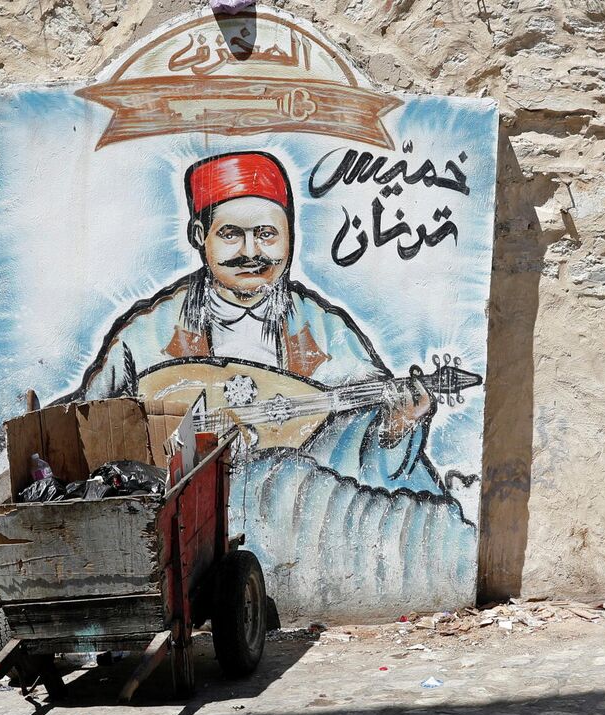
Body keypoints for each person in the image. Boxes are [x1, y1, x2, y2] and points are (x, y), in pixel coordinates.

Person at [60, 150, 445, 494]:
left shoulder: (327, 331)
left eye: (266, 234)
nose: (251, 253)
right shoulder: (146, 335)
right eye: (231, 235)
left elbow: (364, 447)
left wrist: (395, 428)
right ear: (199, 235)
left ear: (289, 238)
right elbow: (90, 428)